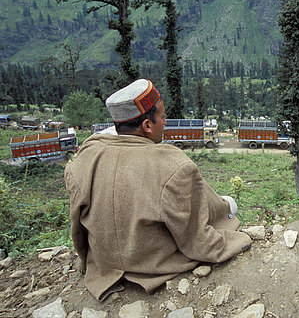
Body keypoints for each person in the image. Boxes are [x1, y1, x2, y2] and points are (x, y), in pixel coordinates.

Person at [65, 79, 252, 301]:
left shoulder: (85, 157)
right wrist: (239, 240)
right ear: (147, 125)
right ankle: (226, 206)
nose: (165, 122)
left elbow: (78, 229)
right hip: (151, 262)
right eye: (162, 117)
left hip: (104, 263)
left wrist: (87, 260)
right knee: (227, 204)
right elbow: (197, 240)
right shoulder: (171, 164)